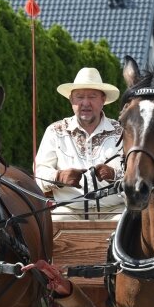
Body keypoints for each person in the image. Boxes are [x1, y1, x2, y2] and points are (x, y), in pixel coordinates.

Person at [34, 67, 124, 219]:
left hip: (114, 210)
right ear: (71, 100)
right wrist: (59, 177)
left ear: (103, 100)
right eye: (79, 97)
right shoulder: (55, 131)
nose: (85, 103)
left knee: (128, 224)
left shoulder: (122, 132)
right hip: (68, 211)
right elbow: (38, 174)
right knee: (54, 222)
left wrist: (114, 174)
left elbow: (140, 173)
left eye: (92, 96)